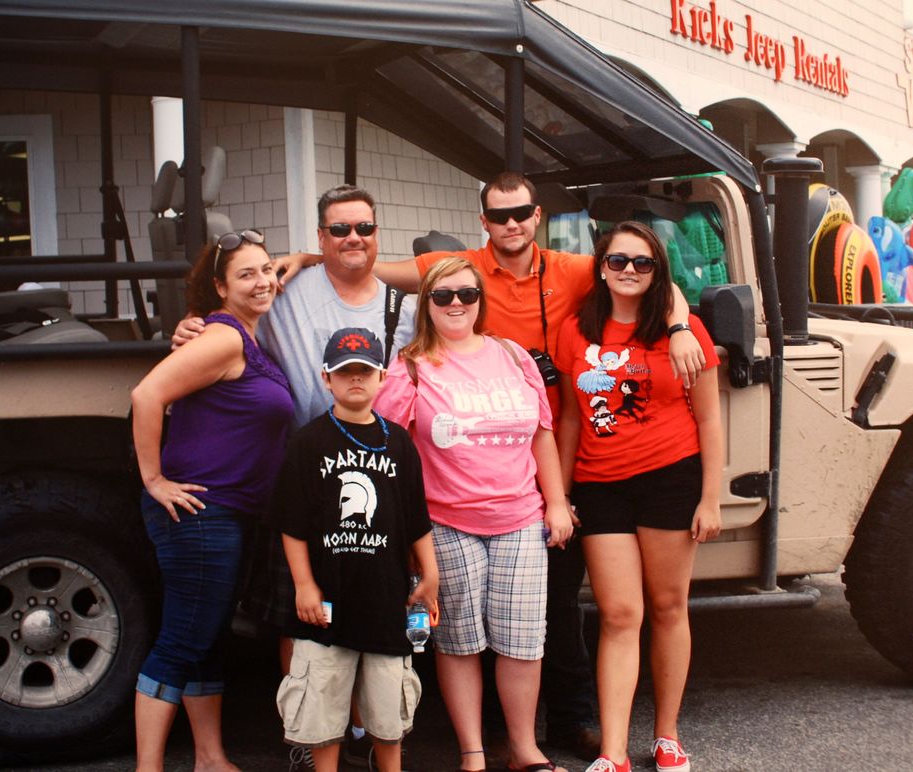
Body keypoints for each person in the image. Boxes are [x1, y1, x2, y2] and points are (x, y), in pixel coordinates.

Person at [278, 171, 707, 758]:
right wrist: (307, 255)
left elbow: (640, 272)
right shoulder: (451, 283)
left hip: (546, 477)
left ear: (537, 217)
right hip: (487, 497)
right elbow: (371, 269)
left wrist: (681, 324)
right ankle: (472, 745)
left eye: (521, 213)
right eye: (499, 216)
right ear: (484, 222)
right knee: (475, 633)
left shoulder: (576, 270)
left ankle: (566, 727)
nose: (511, 224)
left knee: (551, 615)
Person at [173, 185, 415, 768]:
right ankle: (305, 737)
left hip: (376, 476)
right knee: (299, 614)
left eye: (363, 227)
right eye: (338, 230)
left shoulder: (401, 311)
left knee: (369, 608)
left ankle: (358, 729)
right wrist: (193, 327)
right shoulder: (285, 289)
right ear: (320, 237)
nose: (352, 238)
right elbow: (237, 304)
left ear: (377, 233)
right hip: (306, 473)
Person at [374, 257, 573, 772]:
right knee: (459, 640)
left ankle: (524, 750)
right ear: (426, 305)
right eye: (442, 296)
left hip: (522, 518)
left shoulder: (512, 356)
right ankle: (473, 753)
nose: (456, 303)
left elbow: (543, 435)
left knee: (523, 641)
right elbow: (386, 450)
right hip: (447, 522)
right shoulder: (411, 366)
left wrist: (555, 502)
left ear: (481, 300)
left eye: (466, 293)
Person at [553, 221, 723, 772]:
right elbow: (572, 418)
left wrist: (711, 499)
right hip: (601, 485)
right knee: (619, 613)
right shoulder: (577, 331)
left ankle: (668, 736)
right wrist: (560, 492)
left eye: (642, 263)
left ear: (657, 272)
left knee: (670, 607)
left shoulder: (682, 329)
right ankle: (614, 752)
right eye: (619, 260)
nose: (629, 270)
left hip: (671, 478)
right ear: (601, 266)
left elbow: (711, 418)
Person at [130, 229, 293, 772]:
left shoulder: (243, 335)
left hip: (229, 514)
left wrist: (307, 256)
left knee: (206, 636)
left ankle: (209, 758)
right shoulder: (223, 338)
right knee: (182, 640)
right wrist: (154, 479)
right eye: (246, 274)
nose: (263, 281)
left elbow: (291, 267)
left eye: (267, 269)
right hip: (202, 513)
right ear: (220, 287)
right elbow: (146, 394)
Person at [271, 327, 438, 772]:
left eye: (365, 371)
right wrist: (304, 585)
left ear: (383, 377)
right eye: (345, 373)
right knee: (322, 713)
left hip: (386, 601)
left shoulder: (399, 443)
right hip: (324, 603)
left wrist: (431, 576)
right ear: (327, 379)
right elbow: (292, 525)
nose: (355, 380)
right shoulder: (308, 443)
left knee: (389, 716)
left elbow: (416, 519)